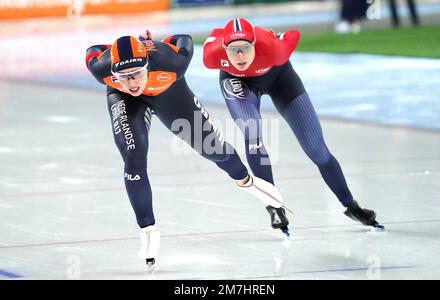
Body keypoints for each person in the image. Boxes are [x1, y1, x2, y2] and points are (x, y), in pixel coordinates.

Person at [85, 30, 287, 267]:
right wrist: (115, 49)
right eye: (123, 76)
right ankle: (148, 230)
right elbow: (92, 51)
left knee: (214, 149)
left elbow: (183, 39)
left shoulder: (172, 62)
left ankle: (247, 182)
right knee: (133, 155)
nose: (131, 82)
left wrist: (160, 42)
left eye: (137, 74)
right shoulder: (102, 68)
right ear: (112, 72)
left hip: (169, 92)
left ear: (147, 64)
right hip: (123, 101)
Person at [203, 18, 384, 233]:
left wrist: (273, 36)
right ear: (224, 48)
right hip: (237, 81)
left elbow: (293, 34)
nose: (240, 56)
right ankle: (273, 205)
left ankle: (351, 206)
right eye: (233, 50)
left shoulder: (274, 48)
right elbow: (214, 36)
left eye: (244, 48)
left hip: (280, 78)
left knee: (317, 149)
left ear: (254, 44)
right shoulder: (212, 56)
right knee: (252, 134)